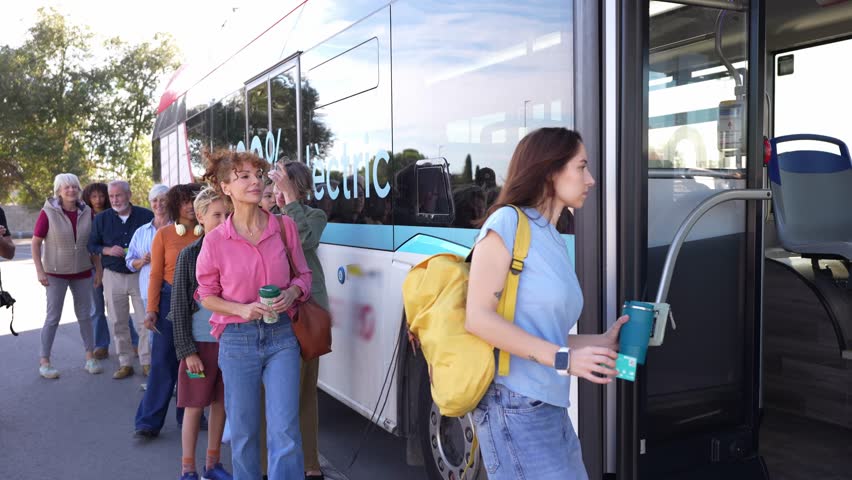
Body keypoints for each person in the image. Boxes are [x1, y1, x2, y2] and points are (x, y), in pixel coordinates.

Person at [464, 128, 628, 480]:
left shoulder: (553, 237)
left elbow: (541, 335)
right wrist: (567, 359)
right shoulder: (507, 222)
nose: (591, 179)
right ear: (551, 171)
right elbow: (478, 319)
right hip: (514, 405)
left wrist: (601, 342)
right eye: (581, 167)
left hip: (548, 406)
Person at [197, 149, 312, 479]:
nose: (254, 181)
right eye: (243, 176)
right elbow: (206, 296)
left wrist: (291, 292)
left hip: (282, 338)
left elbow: (303, 276)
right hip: (237, 340)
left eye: (257, 175)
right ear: (225, 187)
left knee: (286, 432)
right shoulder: (216, 240)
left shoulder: (284, 226)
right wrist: (242, 309)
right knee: (246, 433)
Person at [269, 160, 329, 480]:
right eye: (277, 185)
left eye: (284, 184)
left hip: (305, 313)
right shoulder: (269, 220)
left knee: (305, 393)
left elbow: (303, 240)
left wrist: (291, 203)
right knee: (274, 393)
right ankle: (270, 464)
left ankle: (310, 464)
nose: (277, 191)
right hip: (273, 313)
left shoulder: (313, 215)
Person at [172, 187, 232, 480]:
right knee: (195, 406)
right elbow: (180, 306)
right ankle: (188, 469)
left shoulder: (237, 249)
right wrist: (187, 350)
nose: (223, 220)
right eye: (216, 215)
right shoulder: (190, 254)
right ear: (201, 217)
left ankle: (212, 465)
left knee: (220, 403)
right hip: (199, 345)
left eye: (227, 214)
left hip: (230, 343)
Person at [134, 183, 203, 439]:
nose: (190, 206)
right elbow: (154, 275)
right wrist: (151, 309)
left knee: (195, 360)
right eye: (185, 201)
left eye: (195, 200)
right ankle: (148, 422)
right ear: (176, 205)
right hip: (168, 299)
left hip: (202, 302)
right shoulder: (163, 235)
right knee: (163, 362)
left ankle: (190, 415)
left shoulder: (208, 232)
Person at [31, 173, 104, 379]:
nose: (71, 190)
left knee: (85, 316)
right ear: (59, 191)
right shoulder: (48, 213)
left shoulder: (87, 212)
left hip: (83, 271)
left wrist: (98, 270)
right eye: (66, 187)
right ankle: (45, 361)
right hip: (55, 273)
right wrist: (39, 270)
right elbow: (36, 243)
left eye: (74, 187)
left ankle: (90, 357)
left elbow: (92, 245)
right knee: (53, 317)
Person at [88, 180, 154, 379]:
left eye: (119, 195)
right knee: (118, 321)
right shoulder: (102, 219)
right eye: (112, 196)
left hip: (139, 275)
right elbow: (91, 245)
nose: (115, 200)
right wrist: (106, 249)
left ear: (129, 195)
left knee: (146, 321)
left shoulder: (146, 216)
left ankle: (147, 362)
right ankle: (125, 363)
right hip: (113, 275)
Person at [83, 182, 140, 360]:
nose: (99, 200)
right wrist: (106, 251)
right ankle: (103, 345)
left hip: (132, 271)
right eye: (94, 196)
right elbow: (91, 244)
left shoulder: (140, 215)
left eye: (102, 196)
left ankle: (137, 345)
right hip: (99, 269)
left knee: (128, 314)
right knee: (102, 310)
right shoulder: (89, 216)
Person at [125, 184, 171, 375]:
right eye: (154, 200)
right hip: (147, 291)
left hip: (171, 289)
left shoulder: (178, 229)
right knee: (153, 335)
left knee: (173, 335)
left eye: (162, 200)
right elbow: (129, 261)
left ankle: (176, 379)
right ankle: (158, 377)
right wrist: (140, 261)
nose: (158, 204)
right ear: (150, 203)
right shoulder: (141, 232)